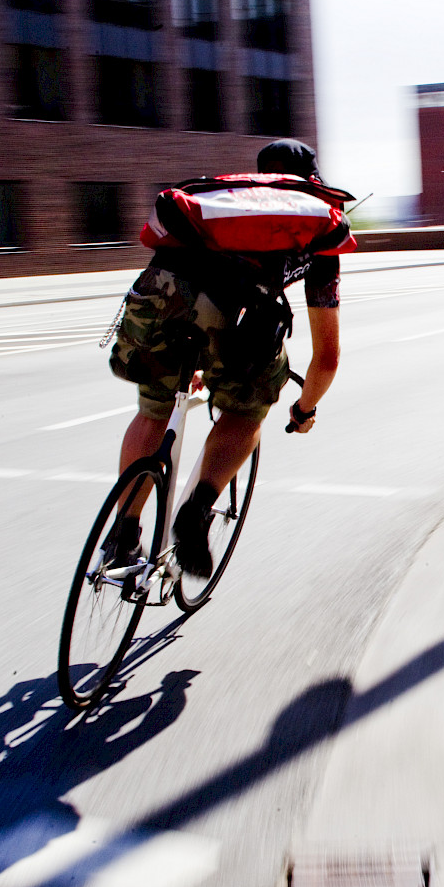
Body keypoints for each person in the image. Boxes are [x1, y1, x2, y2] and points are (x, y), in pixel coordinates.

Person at [110, 139, 352, 577]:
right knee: (247, 409)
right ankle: (196, 511)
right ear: (313, 181)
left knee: (153, 409)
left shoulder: (222, 200)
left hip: (157, 294)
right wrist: (303, 409)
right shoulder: (317, 224)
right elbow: (327, 358)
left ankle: (123, 534)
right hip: (226, 314)